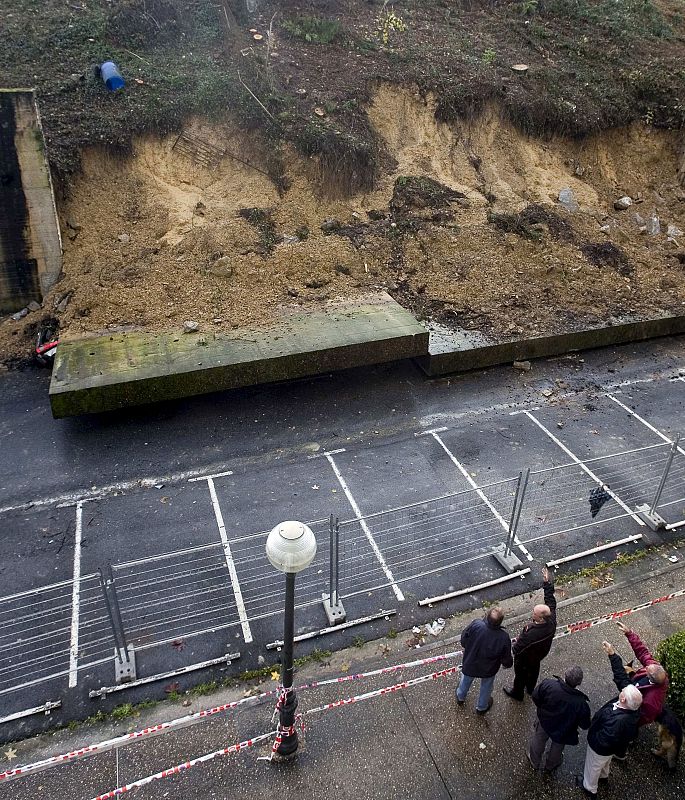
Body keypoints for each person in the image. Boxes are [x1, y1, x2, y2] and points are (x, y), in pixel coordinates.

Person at [577, 642, 643, 797]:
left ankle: (589, 787)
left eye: (623, 691)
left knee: (592, 766)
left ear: (624, 700)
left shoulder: (618, 721)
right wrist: (612, 654)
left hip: (600, 748)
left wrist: (593, 736)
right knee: (604, 763)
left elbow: (606, 739)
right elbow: (621, 677)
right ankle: (604, 776)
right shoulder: (633, 705)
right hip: (609, 751)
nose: (621, 689)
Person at [504, 565, 557, 701]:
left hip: (525, 659)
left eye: (534, 613)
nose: (532, 613)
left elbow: (517, 649)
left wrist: (513, 645)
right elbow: (550, 600)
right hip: (539, 655)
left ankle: (517, 693)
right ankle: (530, 688)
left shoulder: (531, 633)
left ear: (540, 617)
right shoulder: (551, 619)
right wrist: (547, 583)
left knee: (520, 675)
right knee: (534, 671)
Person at [529, 666, 591, 773]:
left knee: (538, 739)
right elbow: (585, 724)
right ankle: (551, 765)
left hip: (545, 721)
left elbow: (535, 696)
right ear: (579, 683)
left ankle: (534, 761)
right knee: (557, 747)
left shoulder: (549, 685)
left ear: (565, 675)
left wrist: (542, 709)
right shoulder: (581, 703)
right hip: (564, 730)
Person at [456, 607, 512, 714]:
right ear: (500, 621)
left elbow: (464, 638)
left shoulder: (476, 625)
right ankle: (481, 707)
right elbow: (506, 657)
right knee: (486, 687)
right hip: (489, 669)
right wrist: (507, 664)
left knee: (465, 681)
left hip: (470, 663)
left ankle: (460, 697)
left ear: (487, 616)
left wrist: (466, 645)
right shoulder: (503, 637)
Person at [614, 620, 669, 727]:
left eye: (647, 669)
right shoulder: (656, 670)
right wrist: (629, 633)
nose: (646, 666)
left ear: (650, 677)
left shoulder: (651, 703)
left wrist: (627, 723)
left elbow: (642, 717)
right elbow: (643, 652)